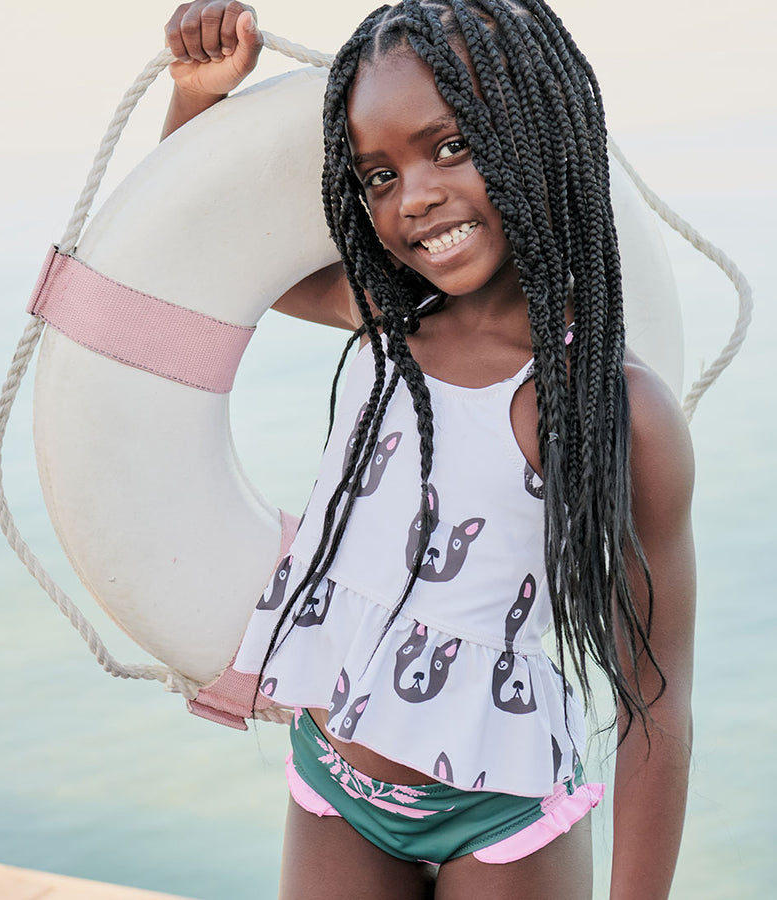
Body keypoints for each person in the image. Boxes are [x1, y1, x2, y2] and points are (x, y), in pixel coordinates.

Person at [161, 2, 695, 897]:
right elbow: (198, 243)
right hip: (335, 783)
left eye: (450, 146)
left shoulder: (615, 410)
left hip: (502, 818)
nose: (412, 197)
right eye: (378, 175)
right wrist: (195, 96)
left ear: (539, 130)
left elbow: (658, 702)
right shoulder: (386, 318)